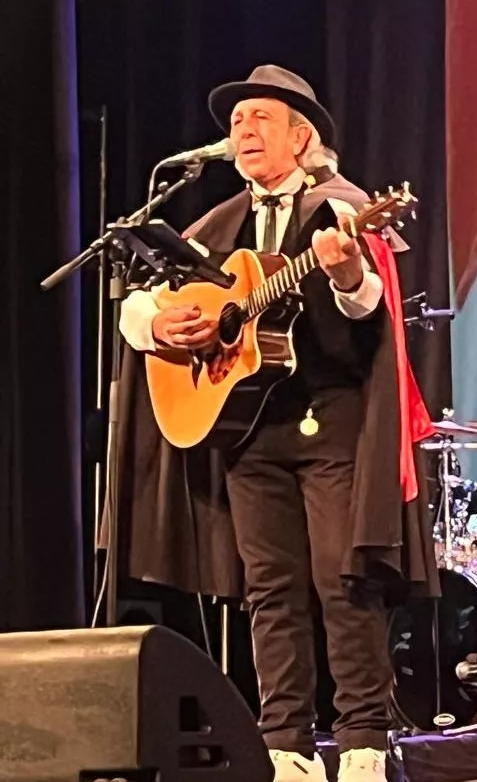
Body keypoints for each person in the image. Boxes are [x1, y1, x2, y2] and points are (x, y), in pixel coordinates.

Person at [111, 65, 435, 782]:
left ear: (301, 136)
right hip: (252, 431)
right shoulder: (217, 224)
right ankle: (284, 741)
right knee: (271, 588)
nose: (243, 131)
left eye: (260, 117)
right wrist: (161, 321)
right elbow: (136, 300)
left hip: (334, 423)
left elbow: (368, 307)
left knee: (343, 580)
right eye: (236, 123)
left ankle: (361, 741)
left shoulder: (344, 209)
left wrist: (345, 272)